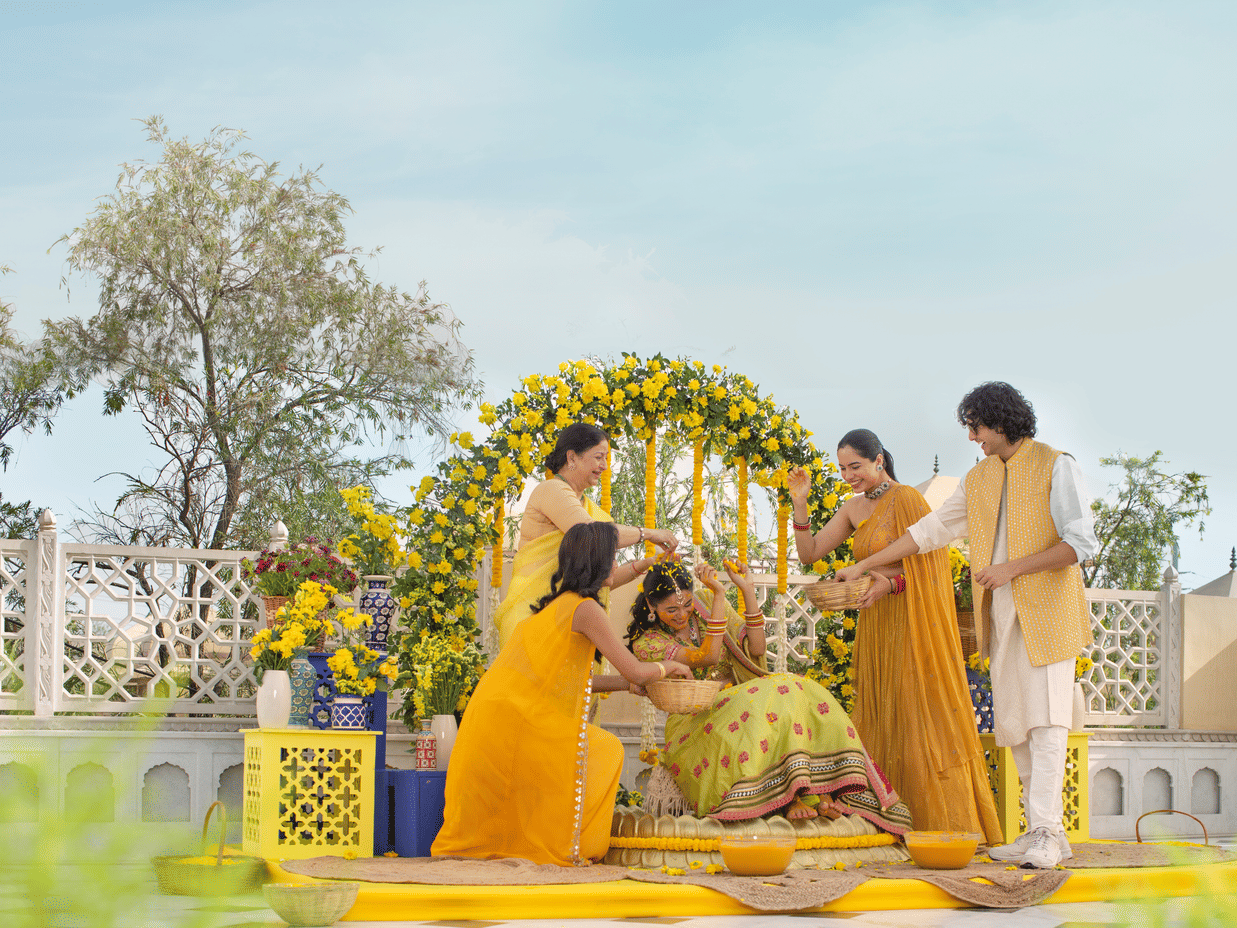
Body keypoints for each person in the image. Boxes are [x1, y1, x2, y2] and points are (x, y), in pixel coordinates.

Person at [837, 387, 1097, 868]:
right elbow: (928, 533)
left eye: (976, 426)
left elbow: (1081, 544)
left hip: (1047, 614)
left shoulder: (1056, 465)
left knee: (1047, 723)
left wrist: (1011, 569)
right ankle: (1042, 833)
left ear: (1001, 422)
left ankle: (1044, 831)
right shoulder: (978, 479)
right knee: (1015, 725)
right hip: (1000, 618)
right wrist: (864, 565)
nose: (972, 437)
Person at [433, 522, 692, 866]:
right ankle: (571, 849)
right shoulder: (586, 610)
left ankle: (551, 844)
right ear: (600, 564)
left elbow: (584, 680)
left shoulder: (564, 605)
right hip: (517, 722)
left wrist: (626, 685)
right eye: (613, 558)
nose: (617, 565)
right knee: (605, 749)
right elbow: (634, 667)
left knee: (591, 749)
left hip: (502, 718)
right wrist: (665, 668)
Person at [788, 429, 1002, 846]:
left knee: (915, 712)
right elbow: (810, 553)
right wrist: (800, 501)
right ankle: (888, 824)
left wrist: (889, 585)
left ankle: (936, 824)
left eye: (856, 466)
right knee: (882, 709)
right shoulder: (852, 508)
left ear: (878, 461)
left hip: (912, 621)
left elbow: (932, 567)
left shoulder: (906, 500)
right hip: (877, 625)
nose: (850, 475)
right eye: (843, 468)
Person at [626, 556, 911, 834]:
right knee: (765, 695)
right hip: (693, 721)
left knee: (800, 686)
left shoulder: (704, 604)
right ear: (651, 605)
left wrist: (747, 589)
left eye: (687, 604)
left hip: (743, 699)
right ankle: (793, 798)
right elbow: (708, 657)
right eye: (671, 610)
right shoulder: (648, 642)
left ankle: (822, 789)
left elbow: (758, 649)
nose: (682, 614)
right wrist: (718, 597)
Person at [493, 422, 679, 645]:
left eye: (606, 458)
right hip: (533, 613)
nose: (605, 466)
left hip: (570, 620)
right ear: (572, 457)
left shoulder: (593, 511)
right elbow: (593, 534)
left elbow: (601, 580)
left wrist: (645, 564)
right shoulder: (550, 490)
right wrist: (648, 533)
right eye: (599, 457)